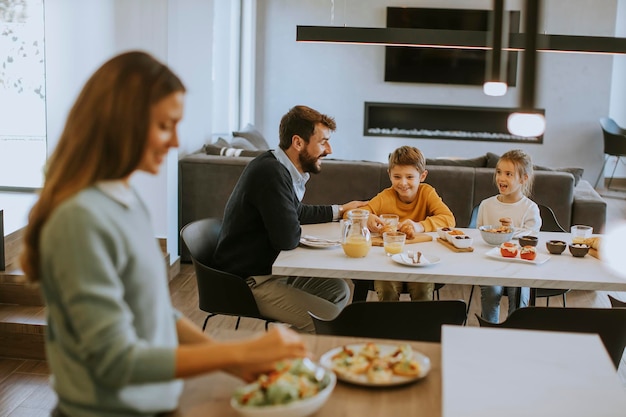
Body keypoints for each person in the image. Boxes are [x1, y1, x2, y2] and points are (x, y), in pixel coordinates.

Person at [20, 51, 307, 417]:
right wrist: (241, 351)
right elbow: (115, 361)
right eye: (164, 125)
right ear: (123, 122)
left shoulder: (125, 199)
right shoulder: (79, 219)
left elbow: (157, 315)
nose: (175, 142)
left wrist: (235, 366)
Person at [213, 105, 366, 333]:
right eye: (323, 142)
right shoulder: (271, 173)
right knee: (330, 320)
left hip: (272, 270)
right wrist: (296, 224)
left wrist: (341, 210)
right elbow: (287, 239)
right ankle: (293, 348)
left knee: (338, 289)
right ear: (298, 143)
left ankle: (296, 341)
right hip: (248, 281)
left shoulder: (278, 167)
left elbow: (294, 212)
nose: (329, 149)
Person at [362, 146, 455, 301]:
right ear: (389, 175)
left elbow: (448, 218)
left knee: (423, 289)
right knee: (386, 288)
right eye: (397, 177)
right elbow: (358, 213)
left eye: (410, 177)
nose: (403, 183)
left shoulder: (427, 193)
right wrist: (368, 218)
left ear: (422, 175)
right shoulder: (386, 196)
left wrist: (418, 226)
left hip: (421, 259)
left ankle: (418, 325)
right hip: (388, 260)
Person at [477, 149, 542, 323]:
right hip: (491, 265)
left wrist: (512, 230)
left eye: (508, 174)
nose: (501, 178)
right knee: (491, 290)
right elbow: (479, 236)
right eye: (499, 172)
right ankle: (489, 331)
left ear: (523, 179)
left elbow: (532, 239)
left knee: (519, 291)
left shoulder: (530, 209)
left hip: (520, 267)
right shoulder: (486, 205)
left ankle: (515, 332)